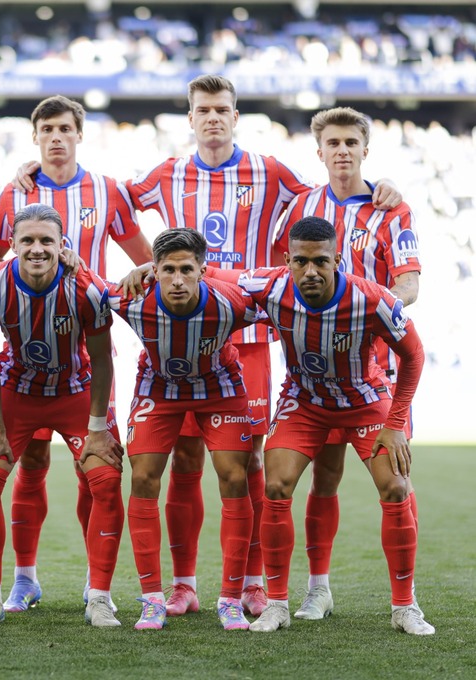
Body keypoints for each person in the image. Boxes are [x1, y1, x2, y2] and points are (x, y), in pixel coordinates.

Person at [122, 75, 401, 617]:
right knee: (184, 458)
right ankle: (183, 585)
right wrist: (147, 263)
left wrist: (379, 187)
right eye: (203, 110)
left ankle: (252, 582)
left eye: (222, 109)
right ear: (190, 118)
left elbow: (330, 193)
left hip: (248, 335)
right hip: (184, 332)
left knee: (249, 459)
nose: (213, 118)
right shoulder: (166, 174)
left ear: (235, 116)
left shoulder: (271, 171)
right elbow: (111, 202)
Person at [209, 216, 432, 636]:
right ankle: (277, 605)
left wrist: (396, 423)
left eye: (320, 262)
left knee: (396, 486)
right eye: (301, 262)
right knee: (276, 485)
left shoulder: (371, 299)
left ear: (337, 260)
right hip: (306, 402)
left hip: (364, 402)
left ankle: (405, 606)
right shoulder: (272, 286)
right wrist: (152, 268)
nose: (310, 271)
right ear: (287, 260)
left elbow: (414, 355)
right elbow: (214, 273)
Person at [0, 95, 153, 611]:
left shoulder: (107, 191)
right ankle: (24, 580)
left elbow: (145, 264)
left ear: (80, 134)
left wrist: (95, 286)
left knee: (94, 467)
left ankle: (93, 582)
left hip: (87, 352)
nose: (56, 137)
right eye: (47, 129)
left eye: (65, 128)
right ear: (35, 137)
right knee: (31, 463)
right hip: (27, 356)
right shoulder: (15, 193)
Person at [271, 107, 422, 621]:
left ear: (364, 150)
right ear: (319, 151)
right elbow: (280, 271)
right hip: (316, 371)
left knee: (397, 481)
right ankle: (318, 589)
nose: (341, 151)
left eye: (350, 142)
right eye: (332, 143)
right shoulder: (301, 205)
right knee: (325, 477)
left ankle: (406, 599)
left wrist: (367, 310)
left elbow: (409, 284)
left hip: (375, 370)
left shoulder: (391, 209)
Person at [0, 203, 124, 628]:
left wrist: (97, 429)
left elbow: (103, 361)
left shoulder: (86, 289)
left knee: (105, 479)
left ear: (61, 244)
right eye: (28, 240)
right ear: (12, 244)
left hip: (75, 390)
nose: (37, 248)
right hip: (17, 391)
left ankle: (99, 596)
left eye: (46, 240)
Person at [112, 228, 261, 631]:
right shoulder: (131, 298)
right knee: (143, 478)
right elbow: (84, 288)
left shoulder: (231, 303)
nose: (177, 280)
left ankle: (230, 600)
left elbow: (283, 295)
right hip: (159, 388)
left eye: (186, 270)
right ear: (154, 270)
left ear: (202, 271)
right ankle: (152, 600)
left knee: (235, 477)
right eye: (168, 270)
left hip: (219, 388)